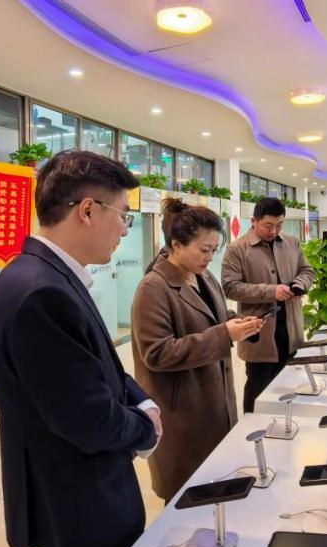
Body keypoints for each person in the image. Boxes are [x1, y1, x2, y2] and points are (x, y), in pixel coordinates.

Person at [0, 151, 162, 547]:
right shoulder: (41, 292)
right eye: (123, 215)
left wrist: (141, 401)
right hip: (81, 500)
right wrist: (146, 429)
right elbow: (88, 419)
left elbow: (100, 365)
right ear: (87, 210)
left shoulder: (49, 275)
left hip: (82, 490)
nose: (124, 229)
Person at [131, 198, 264, 501]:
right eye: (204, 250)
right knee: (187, 497)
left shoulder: (203, 275)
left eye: (214, 250)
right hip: (183, 412)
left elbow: (215, 318)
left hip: (214, 402)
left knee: (217, 485)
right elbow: (157, 353)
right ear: (176, 244)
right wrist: (223, 334)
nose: (209, 257)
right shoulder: (153, 288)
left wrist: (239, 323)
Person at [221, 197, 314, 413]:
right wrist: (271, 291)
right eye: (268, 225)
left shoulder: (292, 242)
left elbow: (306, 270)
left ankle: (285, 423)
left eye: (279, 225)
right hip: (259, 332)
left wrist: (299, 284)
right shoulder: (237, 249)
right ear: (254, 221)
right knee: (258, 389)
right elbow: (230, 287)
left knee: (289, 386)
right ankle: (251, 427)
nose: (274, 231)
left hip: (291, 329)